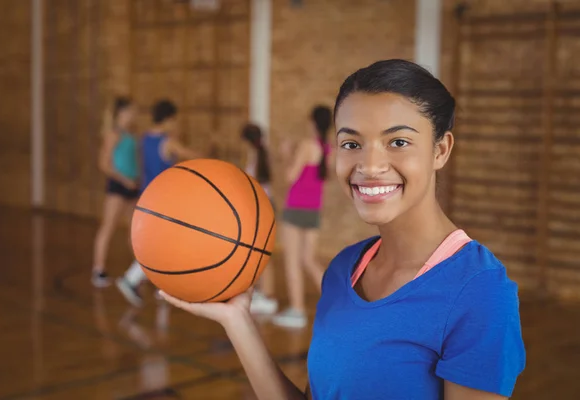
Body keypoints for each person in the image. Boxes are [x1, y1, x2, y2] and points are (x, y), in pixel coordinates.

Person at [158, 59, 527, 400]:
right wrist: (237, 320)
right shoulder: (343, 269)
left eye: (398, 142)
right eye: (351, 143)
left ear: (440, 150)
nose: (369, 165)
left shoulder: (480, 291)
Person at [116, 99, 201, 307]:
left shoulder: (144, 139)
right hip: (161, 201)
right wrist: (212, 151)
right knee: (160, 247)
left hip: (147, 197)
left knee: (164, 245)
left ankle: (160, 285)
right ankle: (130, 279)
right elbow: (193, 156)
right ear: (169, 119)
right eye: (175, 120)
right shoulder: (168, 141)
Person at [272, 105, 332, 328]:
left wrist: (286, 154)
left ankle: (297, 311)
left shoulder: (307, 145)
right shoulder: (328, 148)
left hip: (296, 208)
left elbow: (290, 176)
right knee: (308, 259)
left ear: (312, 122)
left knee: (292, 261)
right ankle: (338, 302)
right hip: (314, 210)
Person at [91, 96, 139, 288]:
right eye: (131, 111)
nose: (134, 115)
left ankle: (140, 270)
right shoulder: (113, 134)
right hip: (118, 187)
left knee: (135, 231)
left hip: (132, 187)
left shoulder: (131, 134)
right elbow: (104, 163)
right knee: (108, 227)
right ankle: (98, 270)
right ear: (121, 113)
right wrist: (124, 179)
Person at [241, 123, 279, 315]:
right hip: (262, 205)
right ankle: (261, 293)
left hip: (261, 206)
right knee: (257, 253)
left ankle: (268, 297)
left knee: (263, 253)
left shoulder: (256, 156)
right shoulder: (264, 153)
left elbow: (252, 183)